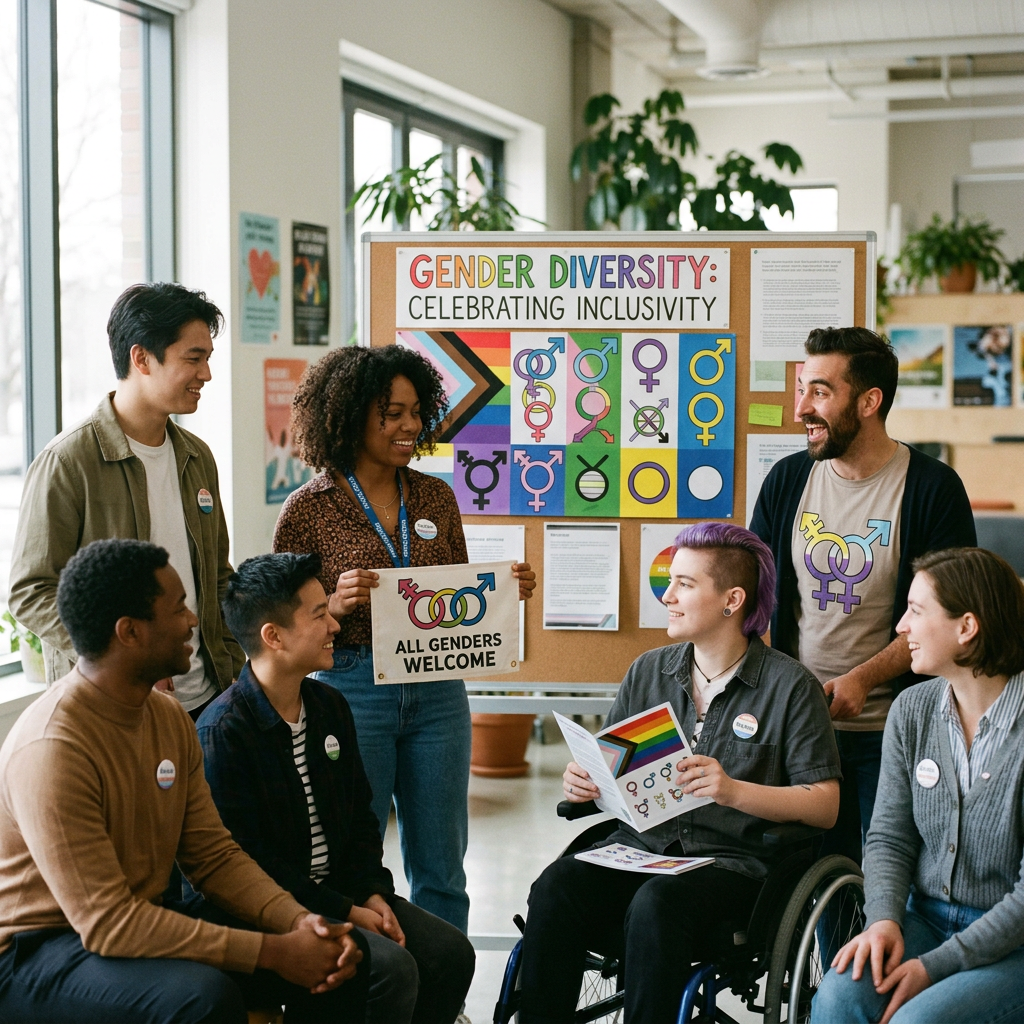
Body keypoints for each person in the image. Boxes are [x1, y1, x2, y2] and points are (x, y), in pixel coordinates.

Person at [0, 539, 368, 1023]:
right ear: (129, 632)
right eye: (177, 609)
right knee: (202, 997)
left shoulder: (168, 717)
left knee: (338, 954)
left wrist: (300, 922)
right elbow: (109, 926)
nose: (194, 621)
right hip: (40, 951)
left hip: (139, 919)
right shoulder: (53, 747)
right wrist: (274, 952)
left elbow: (213, 857)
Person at [518, 523, 841, 1023]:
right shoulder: (649, 671)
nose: (667, 595)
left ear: (732, 600)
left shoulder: (790, 687)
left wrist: (733, 791)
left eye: (685, 584)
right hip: (642, 851)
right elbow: (616, 777)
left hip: (733, 866)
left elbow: (824, 804)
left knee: (657, 906)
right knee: (556, 886)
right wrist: (586, 783)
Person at [273, 345, 535, 933]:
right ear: (349, 416)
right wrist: (332, 606)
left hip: (439, 692)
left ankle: (443, 1002)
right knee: (351, 862)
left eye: (416, 412)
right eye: (391, 413)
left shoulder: (436, 497)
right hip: (351, 690)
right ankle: (372, 991)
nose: (410, 426)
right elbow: (282, 622)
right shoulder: (307, 508)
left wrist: (504, 590)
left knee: (442, 867)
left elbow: (459, 596)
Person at [198, 552, 476, 1024]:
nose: (335, 626)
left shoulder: (329, 706)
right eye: (319, 614)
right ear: (274, 636)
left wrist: (370, 893)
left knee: (451, 953)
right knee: (390, 969)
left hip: (343, 893)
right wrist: (343, 908)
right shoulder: (224, 733)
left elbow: (360, 821)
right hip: (274, 912)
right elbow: (249, 866)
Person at [750, 326, 975, 872]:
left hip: (894, 733)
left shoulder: (931, 488)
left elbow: (945, 620)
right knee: (810, 885)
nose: (801, 407)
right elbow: (755, 596)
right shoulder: (788, 480)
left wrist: (864, 679)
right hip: (801, 733)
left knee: (886, 880)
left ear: (870, 401)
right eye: (802, 388)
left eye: (820, 391)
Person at [8, 283, 244, 720]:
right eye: (193, 358)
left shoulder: (197, 457)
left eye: (207, 358)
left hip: (209, 702)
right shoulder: (69, 461)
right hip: (114, 708)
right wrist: (125, 660)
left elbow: (217, 576)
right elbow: (31, 590)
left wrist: (233, 664)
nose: (206, 374)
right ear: (141, 358)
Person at [812, 547, 1024, 1024]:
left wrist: (934, 968)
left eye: (915, 611)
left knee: (916, 1021)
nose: (901, 627)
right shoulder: (912, 710)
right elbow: (888, 837)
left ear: (966, 627)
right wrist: (883, 921)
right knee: (837, 997)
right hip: (924, 920)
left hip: (1015, 943)